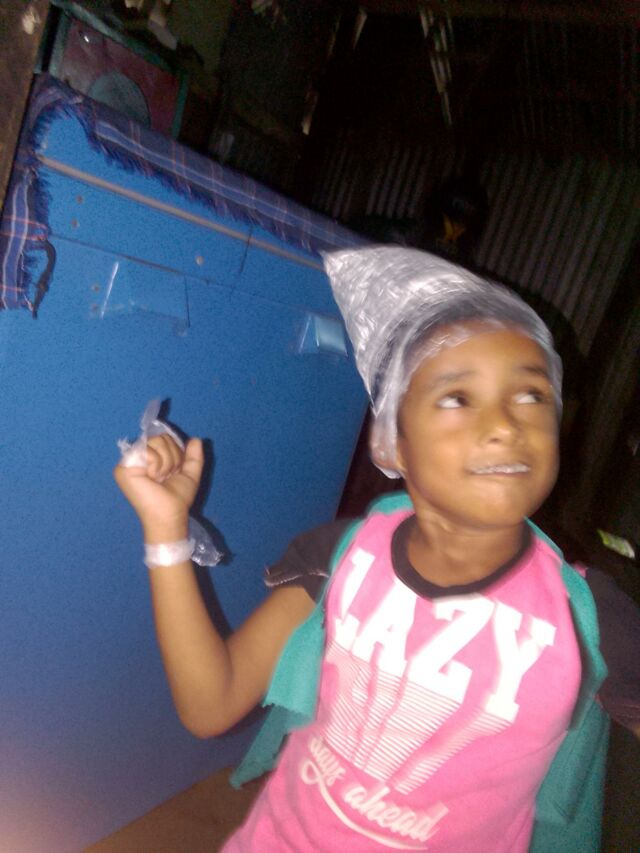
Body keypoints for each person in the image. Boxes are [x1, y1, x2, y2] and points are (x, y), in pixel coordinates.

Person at [114, 247, 640, 851]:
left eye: (531, 396)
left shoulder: (588, 616)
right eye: (456, 398)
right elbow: (212, 704)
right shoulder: (340, 558)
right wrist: (166, 529)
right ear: (391, 442)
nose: (504, 425)